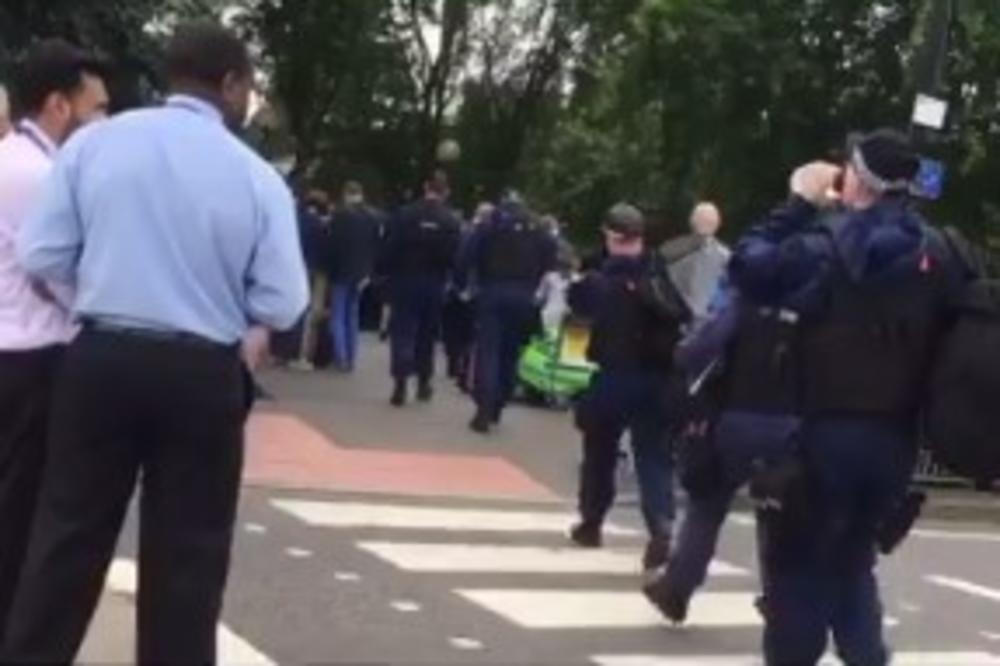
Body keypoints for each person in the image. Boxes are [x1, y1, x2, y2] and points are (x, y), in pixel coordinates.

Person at [1, 23, 308, 664]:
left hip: (101, 357)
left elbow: (42, 251)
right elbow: (284, 300)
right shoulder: (255, 177)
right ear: (230, 83)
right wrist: (229, 302)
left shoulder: (95, 148)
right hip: (200, 367)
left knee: (67, 537)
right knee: (187, 555)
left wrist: (100, 288)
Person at [720, 129, 960, 665]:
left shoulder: (827, 245)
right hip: (896, 447)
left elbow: (749, 268)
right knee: (851, 561)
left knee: (798, 570)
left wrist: (798, 204)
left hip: (822, 435)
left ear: (862, 180)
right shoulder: (942, 254)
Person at [0, 39, 108, 639]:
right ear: (58, 106)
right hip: (32, 358)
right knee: (19, 515)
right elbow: (52, 274)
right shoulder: (40, 175)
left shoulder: (10, 161)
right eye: (96, 109)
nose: (103, 123)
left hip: (13, 354)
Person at [568, 203, 690, 571]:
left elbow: (577, 308)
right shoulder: (659, 276)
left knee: (600, 453)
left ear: (610, 236)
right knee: (653, 457)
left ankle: (592, 522)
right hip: (657, 380)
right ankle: (661, 524)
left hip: (613, 376)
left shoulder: (600, 281)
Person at [459, 195, 556, 433]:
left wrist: (465, 284)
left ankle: (484, 405)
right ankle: (500, 402)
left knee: (488, 351)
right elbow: (551, 254)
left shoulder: (490, 225)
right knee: (510, 352)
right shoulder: (536, 228)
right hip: (523, 295)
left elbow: (467, 254)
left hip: (492, 291)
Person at [382, 171, 462, 407]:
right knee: (427, 335)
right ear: (445, 192)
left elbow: (390, 247)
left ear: (425, 187)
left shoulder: (405, 214)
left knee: (402, 331)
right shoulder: (449, 221)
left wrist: (386, 274)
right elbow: (454, 257)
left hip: (405, 280)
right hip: (433, 283)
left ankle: (400, 381)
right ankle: (424, 382)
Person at [327, 181, 382, 372]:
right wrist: (369, 272)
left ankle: (340, 357)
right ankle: (351, 357)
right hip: (362, 273)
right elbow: (376, 246)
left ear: (345, 194)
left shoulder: (340, 216)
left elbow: (333, 245)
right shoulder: (373, 217)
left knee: (338, 315)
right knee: (352, 314)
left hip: (341, 271)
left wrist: (329, 269)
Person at [443, 202, 493, 389]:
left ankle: (457, 365)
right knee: (472, 333)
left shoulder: (468, 233)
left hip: (464, 288)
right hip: (480, 289)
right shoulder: (493, 236)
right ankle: (465, 368)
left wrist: (458, 285)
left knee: (457, 329)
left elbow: (460, 259)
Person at [661, 201, 731, 321]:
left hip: (675, 320)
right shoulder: (727, 257)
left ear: (691, 221)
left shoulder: (669, 249)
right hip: (708, 324)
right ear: (718, 224)